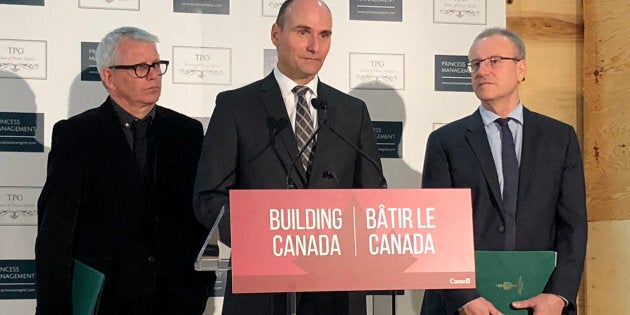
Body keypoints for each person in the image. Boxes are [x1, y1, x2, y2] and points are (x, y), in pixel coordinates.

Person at [193, 0, 384, 314]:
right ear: (275, 34)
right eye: (303, 32)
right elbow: (208, 197)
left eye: (325, 35)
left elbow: (372, 195)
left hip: (336, 290)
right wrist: (264, 235)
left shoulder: (352, 112)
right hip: (262, 290)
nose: (314, 46)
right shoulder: (235, 107)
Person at [35, 26, 213, 315]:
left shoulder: (188, 133)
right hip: (106, 301)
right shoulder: (77, 135)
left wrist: (199, 285)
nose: (154, 74)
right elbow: (55, 233)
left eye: (156, 65)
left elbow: (200, 217)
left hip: (177, 300)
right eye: (141, 67)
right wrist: (54, 307)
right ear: (109, 77)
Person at [420, 27, 587, 315]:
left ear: (521, 68)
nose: (482, 70)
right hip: (464, 306)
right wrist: (464, 298)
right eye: (475, 64)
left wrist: (559, 295)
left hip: (541, 303)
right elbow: (436, 230)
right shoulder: (445, 141)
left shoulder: (560, 138)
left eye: (494, 61)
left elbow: (573, 225)